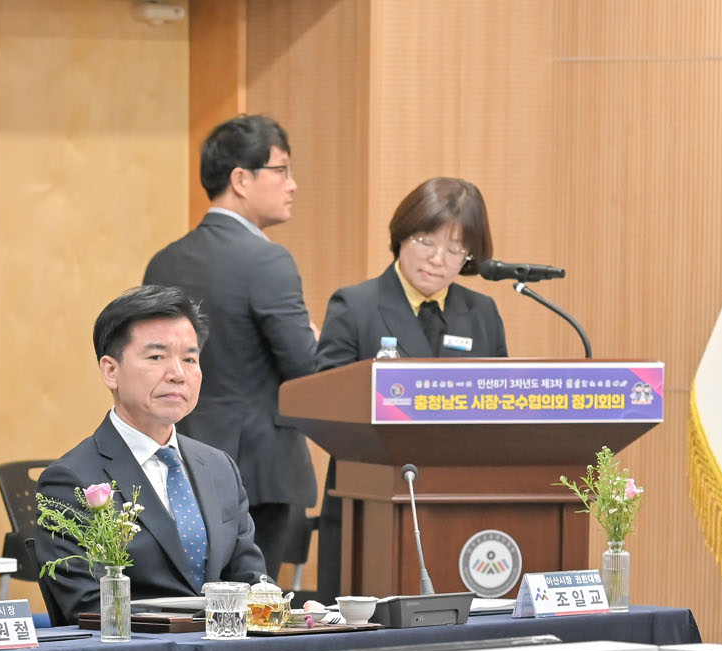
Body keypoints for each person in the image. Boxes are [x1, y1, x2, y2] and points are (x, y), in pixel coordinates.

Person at [311, 177, 509, 595]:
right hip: (371, 502)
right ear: (401, 235)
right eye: (426, 241)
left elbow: (499, 409)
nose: (438, 259)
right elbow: (327, 408)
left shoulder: (482, 313)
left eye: (455, 249)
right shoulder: (356, 306)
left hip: (458, 502)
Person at [144, 114, 318, 574]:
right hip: (258, 470)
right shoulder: (268, 260)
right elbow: (306, 368)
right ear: (241, 179)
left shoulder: (165, 261)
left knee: (192, 597)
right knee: (253, 600)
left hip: (179, 459)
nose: (293, 185)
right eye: (281, 170)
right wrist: (317, 337)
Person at [31, 286, 268, 620]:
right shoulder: (70, 480)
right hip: (140, 649)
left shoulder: (219, 467)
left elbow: (250, 579)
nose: (178, 374)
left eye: (189, 359)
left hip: (225, 647)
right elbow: (88, 608)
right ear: (110, 371)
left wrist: (284, 608)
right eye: (156, 357)